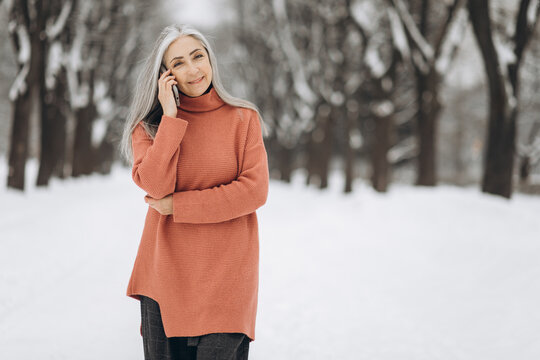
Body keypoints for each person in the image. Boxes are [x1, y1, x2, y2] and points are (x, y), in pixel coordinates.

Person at [119, 23, 270, 360]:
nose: (193, 69)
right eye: (178, 63)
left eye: (197, 56)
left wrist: (178, 206)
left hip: (229, 274)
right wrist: (170, 119)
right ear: (164, 76)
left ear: (210, 59)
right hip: (164, 273)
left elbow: (254, 192)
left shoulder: (244, 118)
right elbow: (155, 185)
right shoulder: (148, 126)